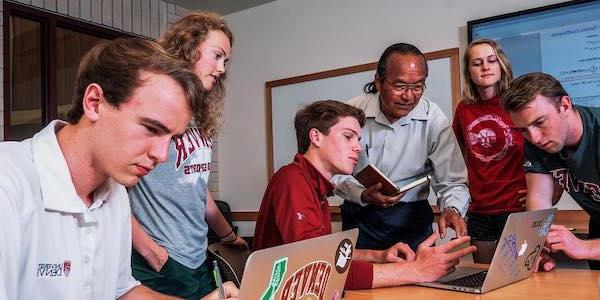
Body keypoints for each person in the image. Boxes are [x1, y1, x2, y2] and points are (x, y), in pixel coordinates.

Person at [0, 38, 237, 299]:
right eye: (151, 128)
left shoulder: (115, 195)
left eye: (170, 138)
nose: (161, 155)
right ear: (94, 102)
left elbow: (122, 291)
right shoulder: (9, 181)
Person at [253, 100, 476, 289]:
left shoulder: (314, 185)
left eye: (358, 140)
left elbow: (326, 254)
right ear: (316, 137)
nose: (358, 148)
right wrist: (415, 271)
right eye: (348, 137)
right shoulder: (293, 180)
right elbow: (320, 268)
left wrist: (378, 256)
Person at [128, 12, 247, 299]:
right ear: (188, 48)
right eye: (217, 56)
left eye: (226, 61)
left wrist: (228, 236)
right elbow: (112, 187)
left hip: (197, 256)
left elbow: (197, 187)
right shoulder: (151, 107)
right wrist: (149, 250)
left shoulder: (198, 117)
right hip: (159, 259)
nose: (221, 69)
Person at [333, 43, 471, 251]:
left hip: (411, 220)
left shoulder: (433, 118)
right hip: (360, 217)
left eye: (417, 87)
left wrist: (452, 209)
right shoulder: (351, 113)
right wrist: (361, 194)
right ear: (378, 82)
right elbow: (331, 170)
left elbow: (452, 181)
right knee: (358, 279)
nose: (409, 96)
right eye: (400, 86)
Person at [502, 72, 600, 271]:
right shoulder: (536, 143)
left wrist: (584, 247)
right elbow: (538, 198)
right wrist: (537, 245)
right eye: (523, 130)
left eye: (540, 123)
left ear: (565, 105)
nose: (534, 138)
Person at [452, 39, 526, 263]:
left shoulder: (517, 103)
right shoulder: (464, 109)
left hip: (516, 209)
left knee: (520, 281)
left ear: (501, 64)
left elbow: (544, 151)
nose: (486, 67)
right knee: (485, 279)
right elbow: (456, 156)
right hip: (479, 209)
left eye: (492, 60)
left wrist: (550, 192)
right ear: (469, 71)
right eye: (477, 63)